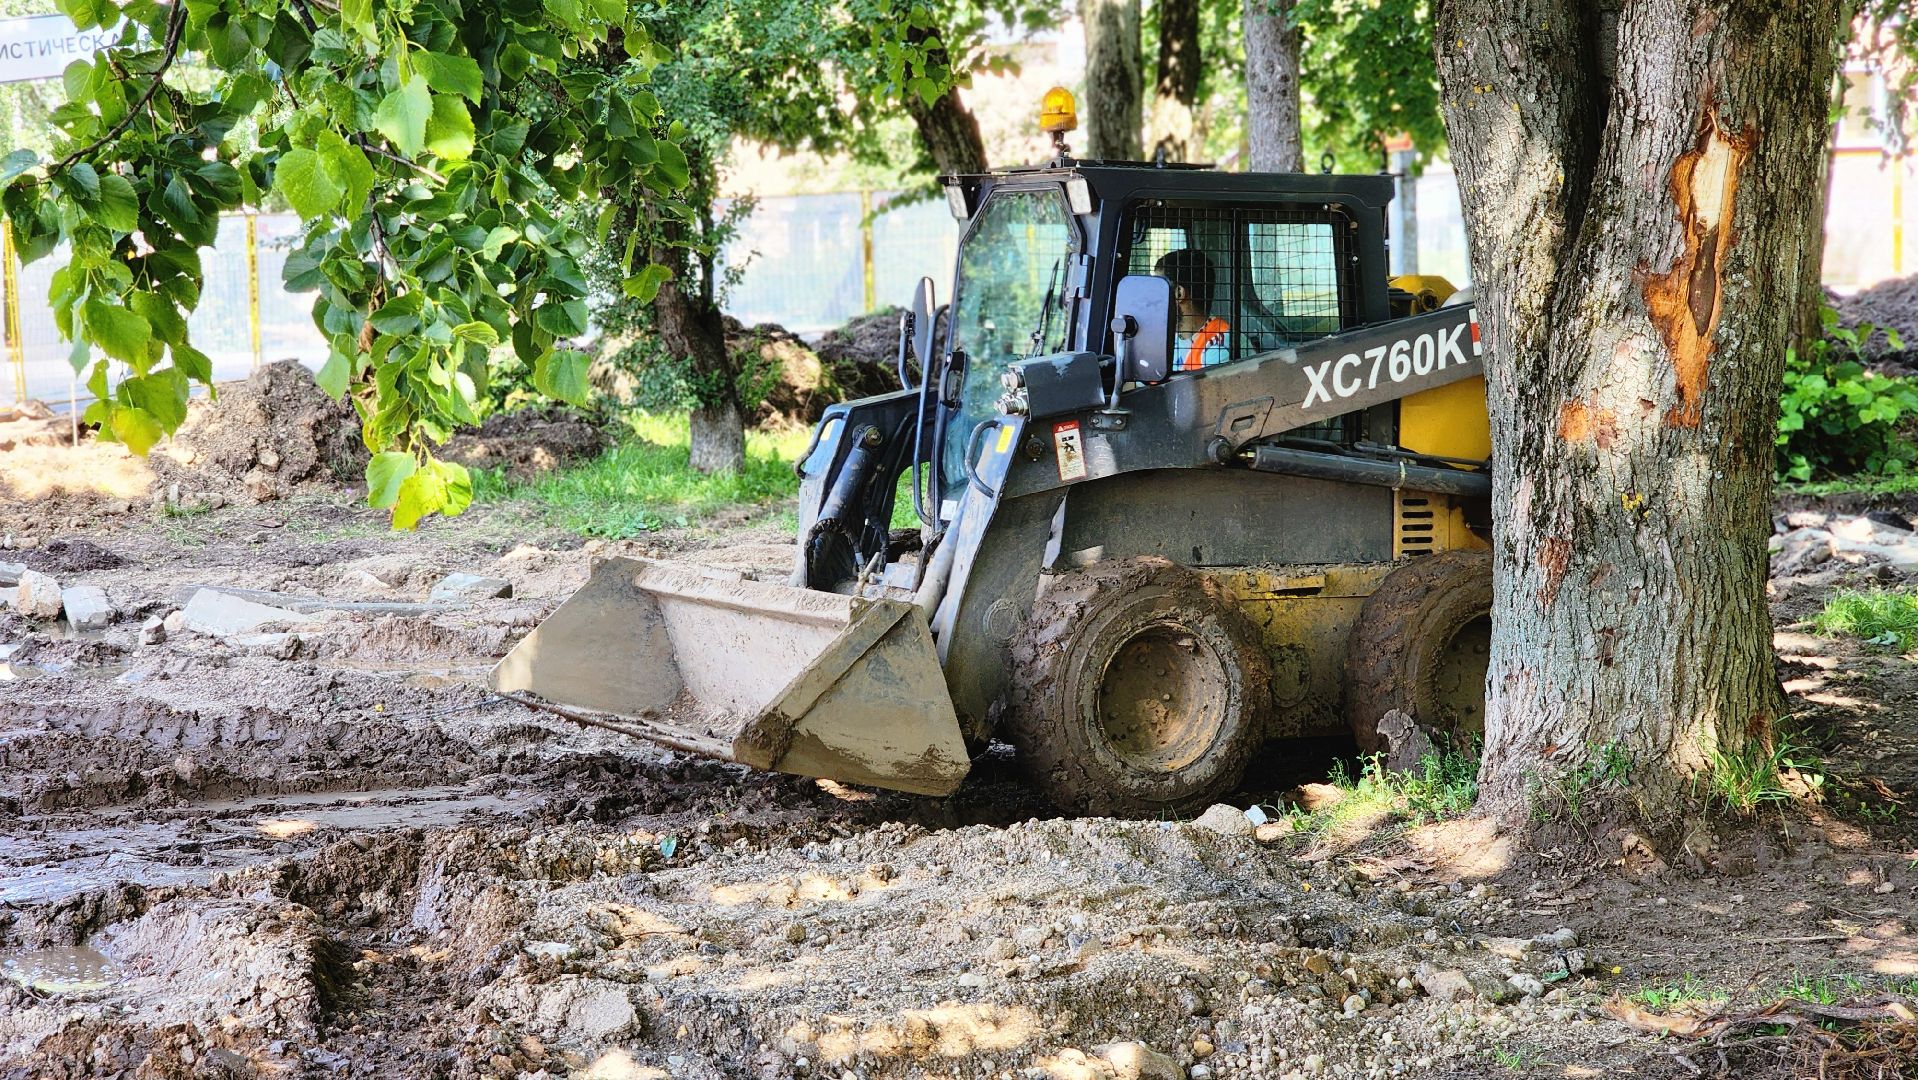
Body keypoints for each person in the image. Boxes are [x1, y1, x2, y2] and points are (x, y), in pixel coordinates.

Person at [1154, 248, 1232, 370]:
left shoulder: (1217, 348)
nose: (1152, 301)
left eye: (1159, 289)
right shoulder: (1168, 338)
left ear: (1179, 294)